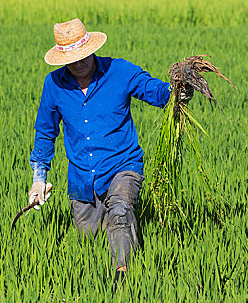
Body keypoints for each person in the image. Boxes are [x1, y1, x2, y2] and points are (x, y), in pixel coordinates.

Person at [28, 18, 192, 289]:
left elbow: (157, 92)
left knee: (119, 213)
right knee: (88, 242)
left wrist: (179, 91)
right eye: (71, 58)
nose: (78, 62)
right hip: (81, 178)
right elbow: (45, 133)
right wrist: (38, 177)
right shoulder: (54, 85)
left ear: (91, 49)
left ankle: (123, 279)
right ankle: (94, 283)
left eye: (82, 55)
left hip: (123, 166)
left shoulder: (119, 72)